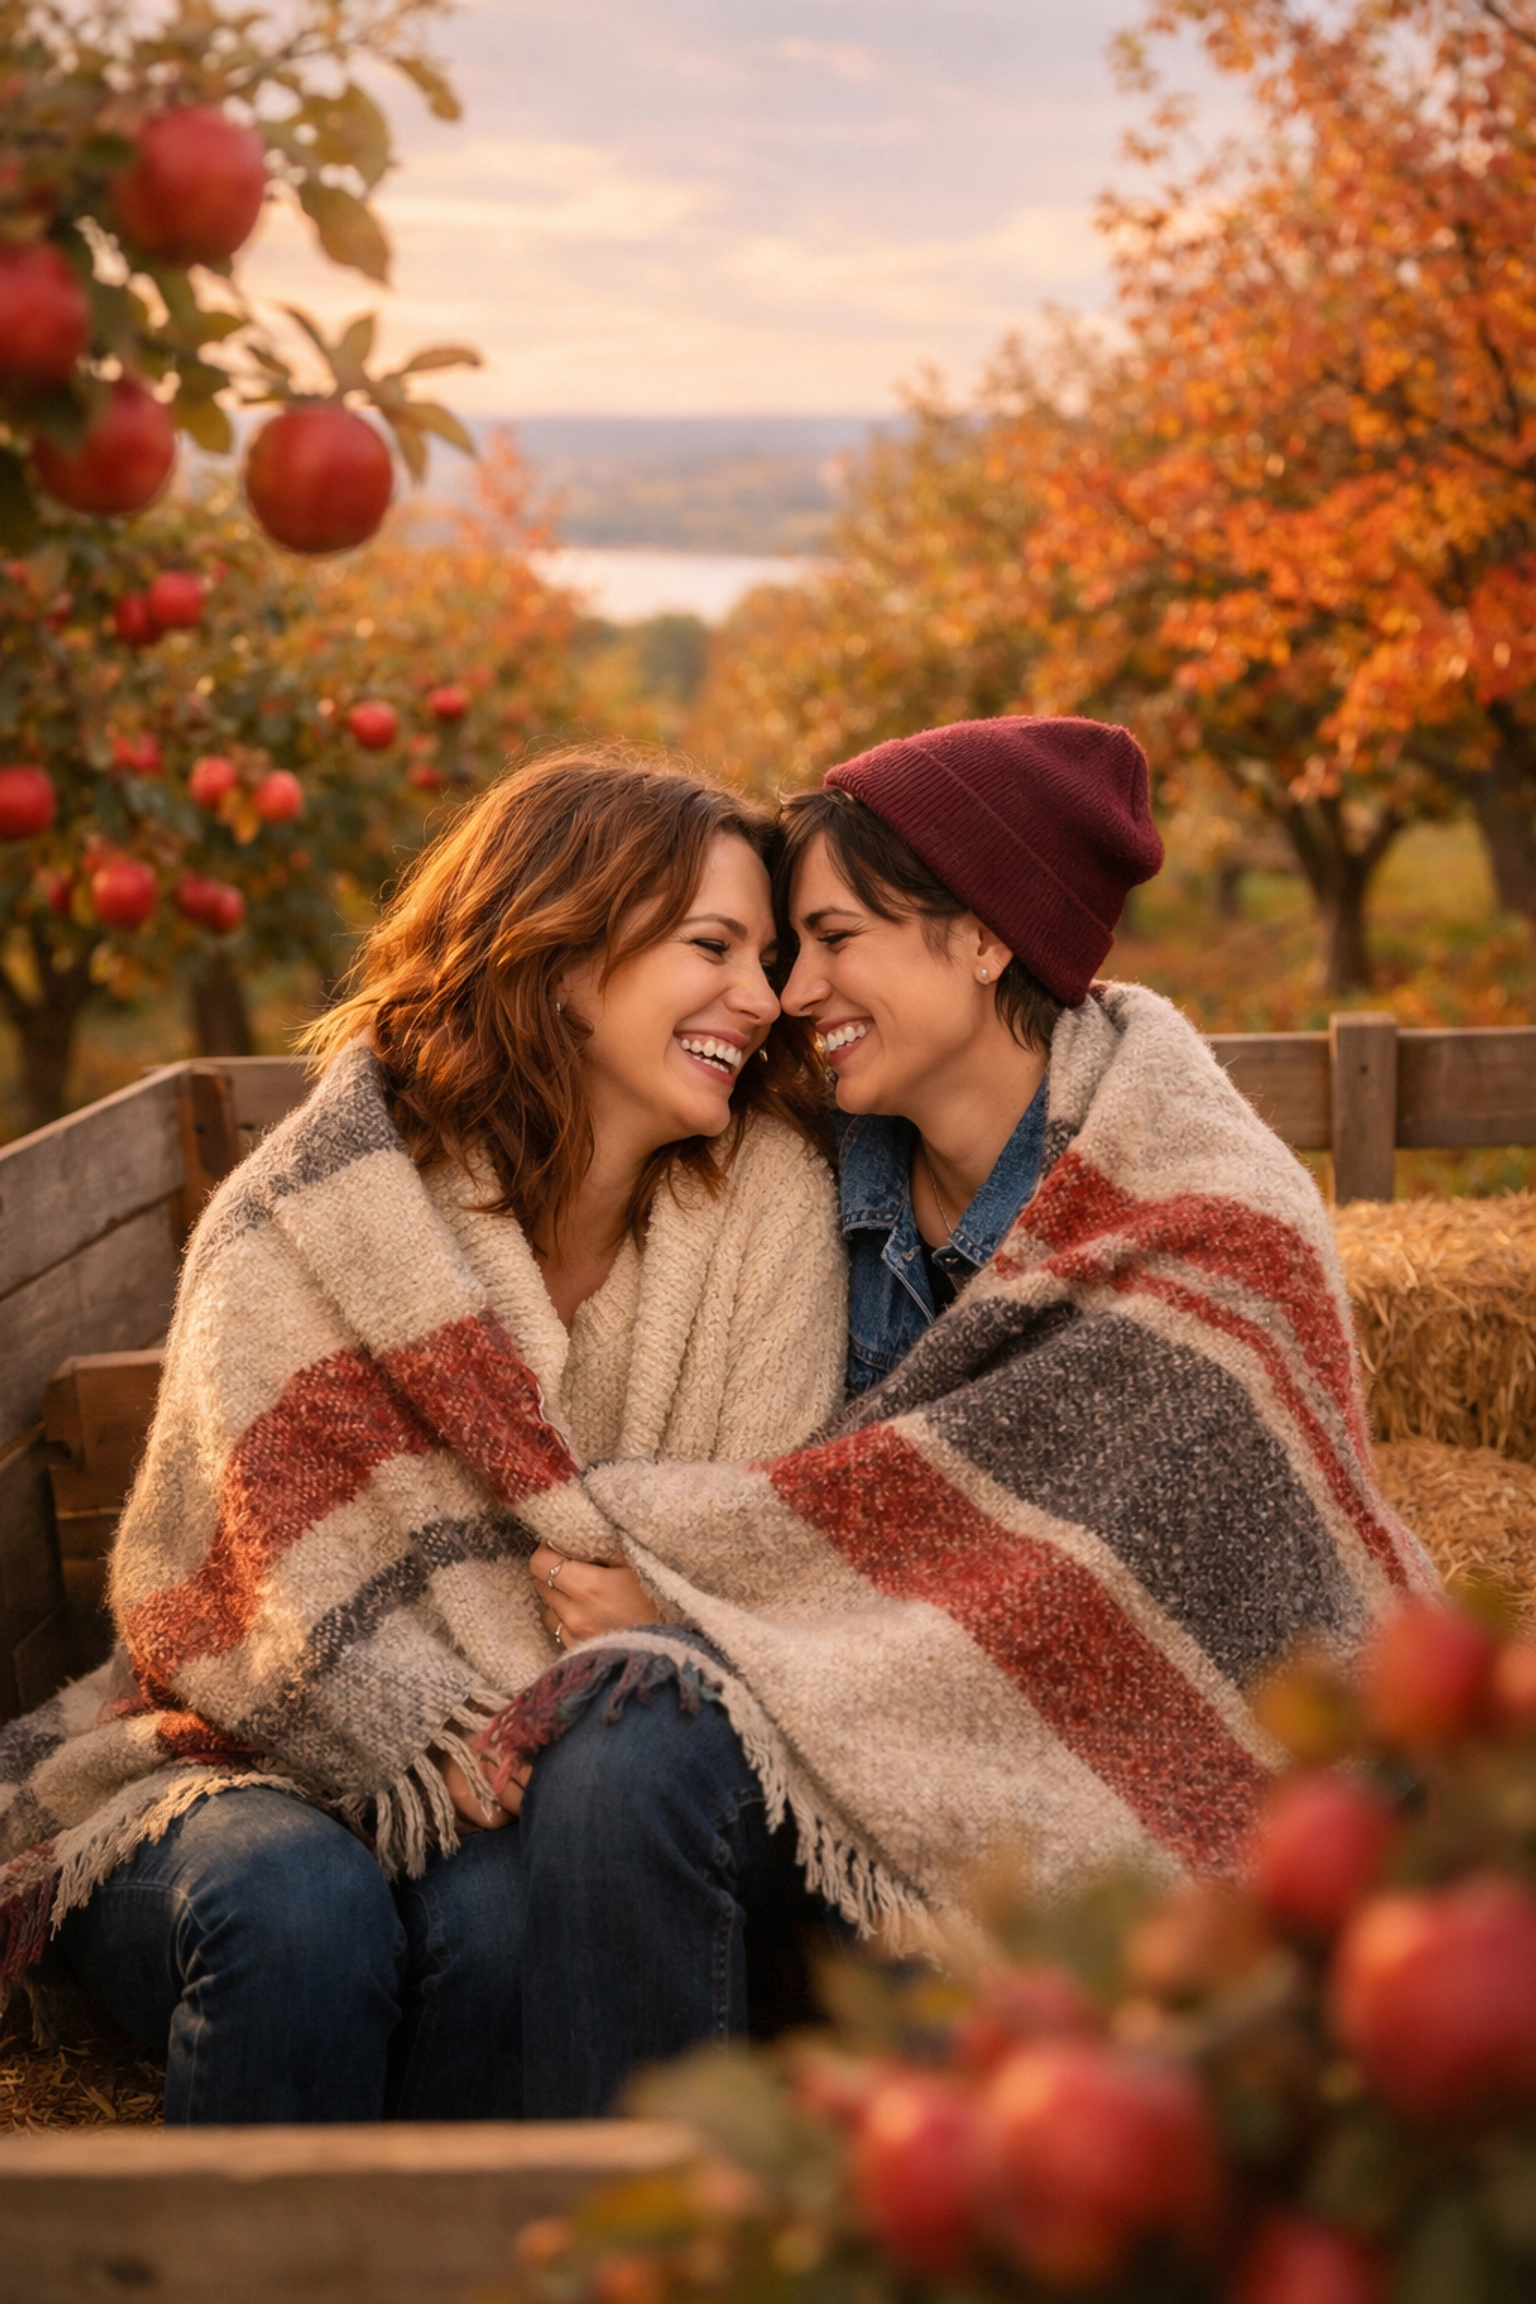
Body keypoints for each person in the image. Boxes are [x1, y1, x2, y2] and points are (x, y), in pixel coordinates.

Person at [461, 714, 1436, 2117]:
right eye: (787, 948)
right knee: (627, 1752)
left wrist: (693, 1596)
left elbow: (1142, 1599)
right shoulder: (796, 1169)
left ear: (982, 938)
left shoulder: (1206, 1223)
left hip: (1106, 1756)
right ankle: (627, 2205)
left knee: (941, 1943)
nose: (792, 991)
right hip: (848, 1722)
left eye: (834, 938)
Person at [0, 748, 847, 2123]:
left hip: (549, 1789)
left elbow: (759, 1538)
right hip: (248, 1740)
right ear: (562, 957)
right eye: (712, 947)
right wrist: (426, 1719)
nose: (761, 998)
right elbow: (242, 1588)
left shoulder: (766, 1210)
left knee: (508, 1920)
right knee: (294, 1905)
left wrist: (654, 1619)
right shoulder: (323, 1210)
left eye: (768, 957)